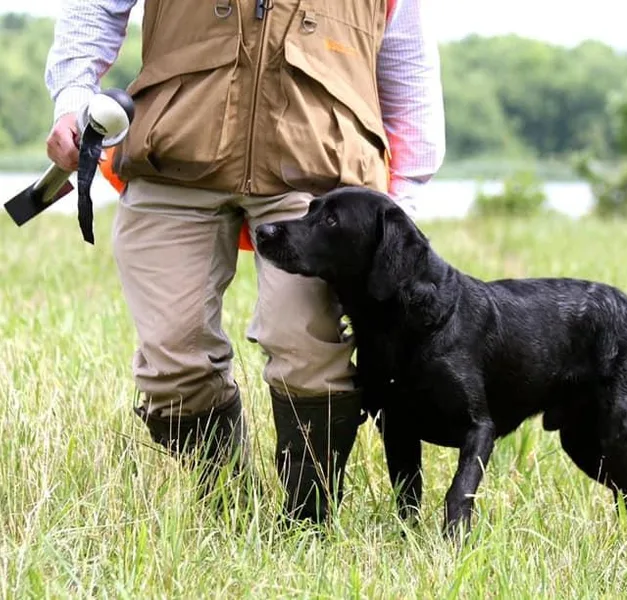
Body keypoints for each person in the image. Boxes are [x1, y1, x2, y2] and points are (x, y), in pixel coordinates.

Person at [44, 0, 446, 523]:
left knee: (309, 350)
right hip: (171, 155)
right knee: (172, 365)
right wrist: (73, 98)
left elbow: (408, 63)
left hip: (321, 172)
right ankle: (230, 510)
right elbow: (94, 7)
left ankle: (308, 522)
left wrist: (403, 201)